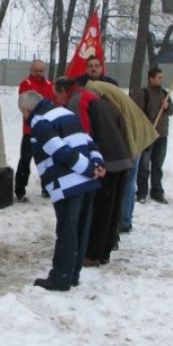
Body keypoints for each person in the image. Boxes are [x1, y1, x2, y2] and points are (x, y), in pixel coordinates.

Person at [18, 90, 105, 291]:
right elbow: (89, 142)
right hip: (88, 182)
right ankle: (73, 274)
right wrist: (97, 163)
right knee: (81, 231)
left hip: (67, 184)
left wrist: (89, 169)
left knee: (67, 231)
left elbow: (59, 151)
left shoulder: (40, 122)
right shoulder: (66, 113)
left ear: (27, 110)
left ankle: (61, 277)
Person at [54, 77, 132, 267]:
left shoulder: (77, 100)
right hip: (121, 157)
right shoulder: (94, 97)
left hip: (107, 162)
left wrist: (83, 166)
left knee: (100, 210)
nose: (59, 102)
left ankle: (92, 254)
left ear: (64, 91)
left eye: (58, 96)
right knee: (112, 210)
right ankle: (104, 252)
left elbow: (82, 136)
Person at [86, 80, 158, 232]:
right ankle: (124, 221)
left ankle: (123, 221)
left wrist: (131, 152)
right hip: (134, 137)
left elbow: (123, 123)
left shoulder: (97, 93)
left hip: (131, 140)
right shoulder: (104, 89)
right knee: (128, 184)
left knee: (126, 183)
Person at [133, 67, 173, 204]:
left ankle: (157, 192)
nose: (161, 80)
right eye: (159, 77)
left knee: (157, 166)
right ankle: (142, 193)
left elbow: (172, 111)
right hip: (148, 135)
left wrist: (167, 106)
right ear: (151, 78)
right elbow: (136, 113)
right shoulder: (143, 94)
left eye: (162, 77)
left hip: (162, 135)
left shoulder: (165, 93)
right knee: (144, 166)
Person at [15, 60, 55, 201]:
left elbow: (53, 104)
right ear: (31, 70)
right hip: (30, 131)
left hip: (47, 130)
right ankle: (20, 191)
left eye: (41, 71)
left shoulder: (50, 85)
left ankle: (47, 188)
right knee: (25, 161)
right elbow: (25, 105)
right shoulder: (26, 84)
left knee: (47, 161)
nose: (38, 73)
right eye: (36, 71)